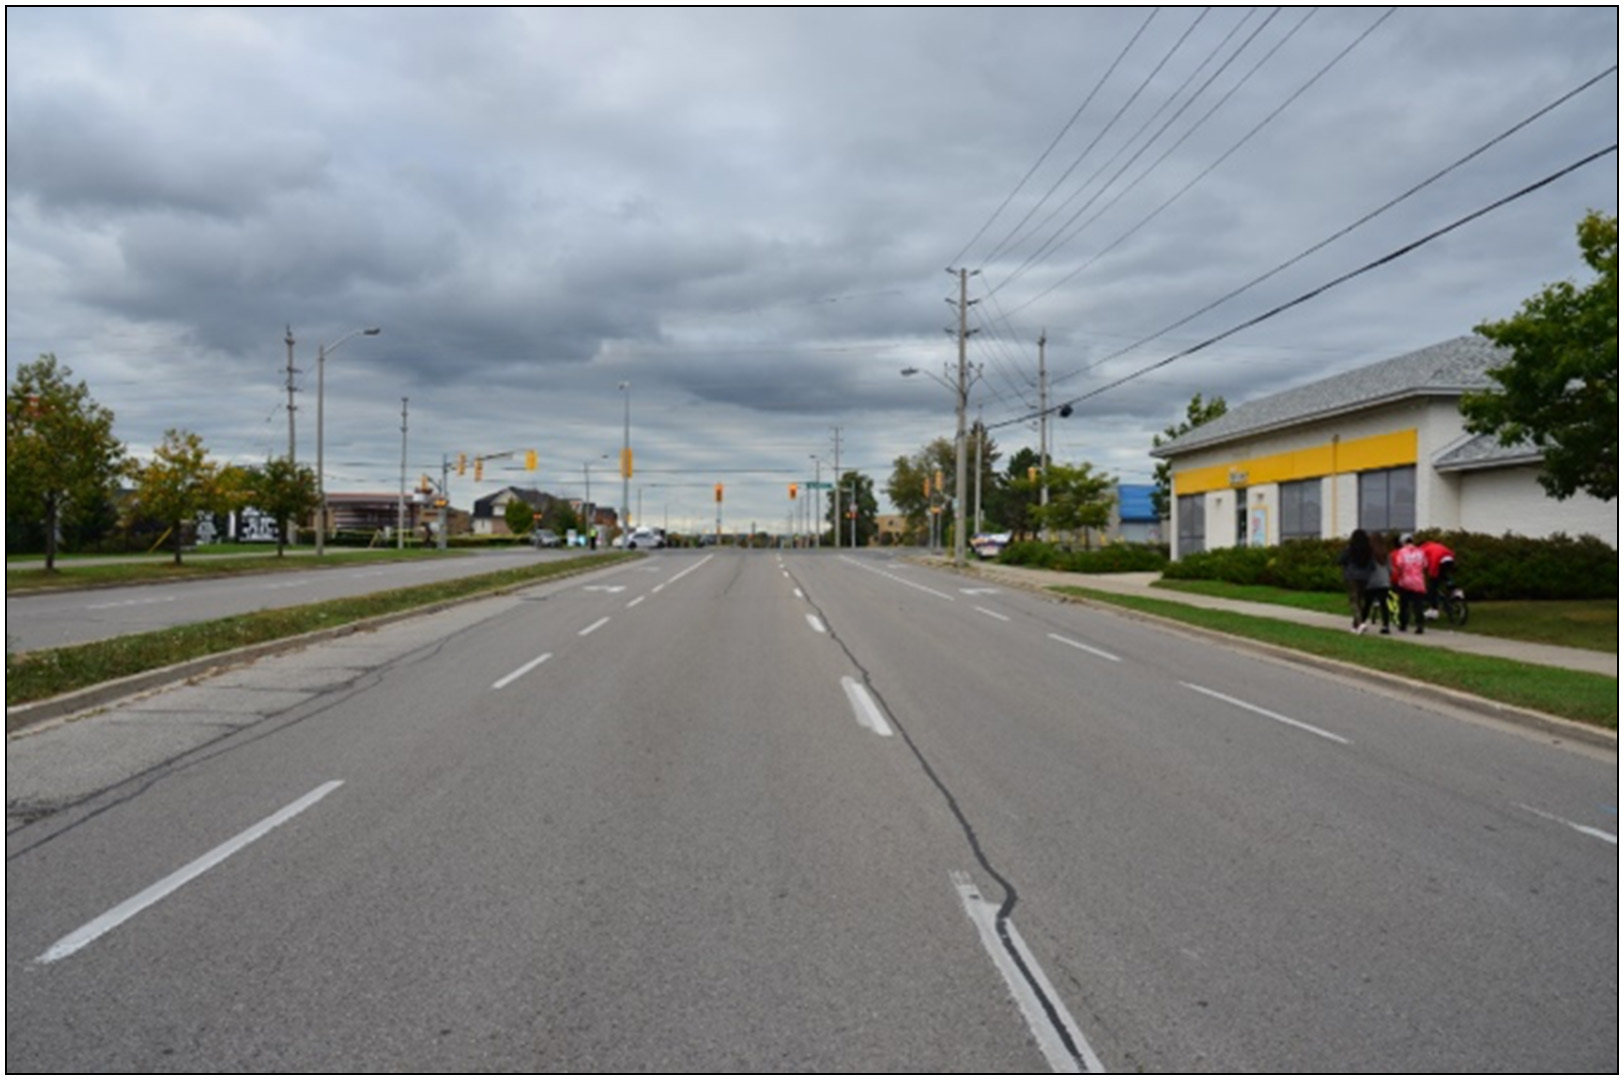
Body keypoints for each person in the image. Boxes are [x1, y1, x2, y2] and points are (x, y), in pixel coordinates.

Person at [1336, 528, 1376, 634]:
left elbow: (1340, 560)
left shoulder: (1350, 549)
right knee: (1360, 600)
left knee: (1354, 601)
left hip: (1352, 576)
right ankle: (1356, 626)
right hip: (1365, 577)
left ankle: (1360, 622)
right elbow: (1373, 566)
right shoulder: (1369, 550)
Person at [1391, 532, 1429, 635]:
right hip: (1418, 581)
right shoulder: (1420, 551)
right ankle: (1419, 625)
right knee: (1418, 605)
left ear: (1402, 542)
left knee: (1404, 604)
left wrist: (1397, 577)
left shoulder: (1401, 552)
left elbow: (1399, 566)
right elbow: (1425, 565)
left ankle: (1403, 624)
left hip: (1405, 581)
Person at [1362, 532, 1392, 634]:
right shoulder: (1385, 553)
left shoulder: (1369, 553)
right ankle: (1385, 625)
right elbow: (1390, 568)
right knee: (1384, 605)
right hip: (1384, 581)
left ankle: (1361, 622)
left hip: (1371, 581)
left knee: (1367, 604)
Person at [1419, 537, 1457, 617]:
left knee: (1432, 587)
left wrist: (1431, 574)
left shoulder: (1422, 549)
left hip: (1438, 560)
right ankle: (1454, 591)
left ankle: (1434, 609)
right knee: (1444, 576)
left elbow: (1425, 563)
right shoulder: (1434, 545)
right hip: (1450, 558)